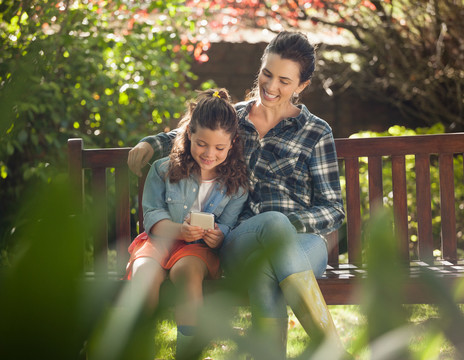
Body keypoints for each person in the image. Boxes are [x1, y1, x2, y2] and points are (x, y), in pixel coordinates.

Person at [128, 31, 350, 359]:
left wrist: (286, 225)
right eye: (267, 74)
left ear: (302, 86)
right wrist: (151, 142)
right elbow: (192, 133)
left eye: (284, 81)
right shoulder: (235, 117)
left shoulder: (316, 132)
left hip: (303, 240)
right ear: (260, 67)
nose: (271, 86)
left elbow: (333, 208)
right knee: (266, 237)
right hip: (239, 237)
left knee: (267, 260)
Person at [124, 88, 249, 359]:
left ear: (232, 143)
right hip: (160, 239)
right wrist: (179, 230)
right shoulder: (163, 169)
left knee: (189, 274)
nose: (209, 154)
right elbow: (152, 217)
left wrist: (219, 235)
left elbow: (227, 226)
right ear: (189, 133)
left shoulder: (236, 185)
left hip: (198, 249)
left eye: (219, 148)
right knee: (144, 273)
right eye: (202, 143)